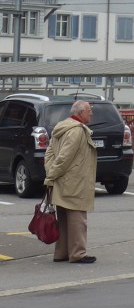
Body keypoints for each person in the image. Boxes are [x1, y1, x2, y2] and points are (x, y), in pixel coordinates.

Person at [44, 99, 98, 264]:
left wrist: (51, 173)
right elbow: (64, 157)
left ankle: (61, 253)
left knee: (64, 218)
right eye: (89, 111)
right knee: (77, 218)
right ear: (80, 113)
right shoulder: (77, 131)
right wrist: (51, 176)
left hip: (62, 180)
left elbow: (50, 154)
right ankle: (78, 253)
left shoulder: (61, 127)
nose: (91, 113)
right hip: (75, 181)